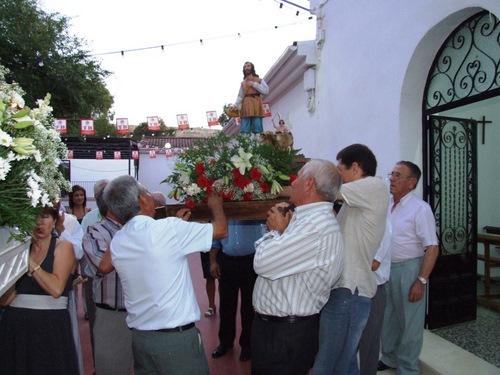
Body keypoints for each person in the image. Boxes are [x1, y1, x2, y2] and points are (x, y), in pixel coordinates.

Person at [103, 175, 227, 375]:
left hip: (141, 340)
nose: (151, 197)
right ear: (141, 200)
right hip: (175, 342)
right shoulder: (168, 229)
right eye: (147, 192)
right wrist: (216, 206)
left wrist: (175, 226)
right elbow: (221, 230)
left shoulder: (118, 240)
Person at [251, 159, 345, 375]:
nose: (292, 183)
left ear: (309, 183)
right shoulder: (307, 219)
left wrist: (274, 231)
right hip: (278, 330)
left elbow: (263, 264)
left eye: (297, 177)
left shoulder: (315, 225)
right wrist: (283, 231)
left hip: (286, 333)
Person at [313, 144, 390, 375]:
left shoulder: (374, 186)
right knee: (344, 362)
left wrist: (299, 182)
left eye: (340, 169)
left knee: (328, 362)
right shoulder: (355, 201)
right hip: (344, 288)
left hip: (351, 290)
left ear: (355, 167)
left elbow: (327, 191)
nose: (339, 176)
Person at [0, 206, 79, 375]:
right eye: (33, 217)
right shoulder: (19, 248)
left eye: (45, 217)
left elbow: (56, 289)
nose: (39, 222)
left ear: (55, 221)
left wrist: (29, 262)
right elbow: (5, 300)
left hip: (50, 326)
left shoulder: (63, 247)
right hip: (16, 326)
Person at [378, 161, 439, 374]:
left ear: (411, 182)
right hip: (386, 269)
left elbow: (432, 246)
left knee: (410, 324)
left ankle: (408, 368)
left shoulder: (420, 209)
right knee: (388, 319)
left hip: (410, 270)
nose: (392, 178)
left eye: (398, 175)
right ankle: (390, 358)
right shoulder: (386, 204)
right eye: (391, 173)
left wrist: (421, 280)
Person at [83, 180, 133, 375]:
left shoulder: (136, 228)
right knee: (113, 369)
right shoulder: (96, 231)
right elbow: (104, 265)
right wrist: (126, 232)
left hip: (142, 312)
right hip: (114, 314)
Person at [210, 220, 264, 362]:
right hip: (227, 261)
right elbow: (215, 241)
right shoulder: (222, 211)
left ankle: (247, 345)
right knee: (226, 304)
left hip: (251, 262)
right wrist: (213, 261)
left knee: (249, 305)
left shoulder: (249, 208)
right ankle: (225, 342)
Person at [358, 219, 392, 375]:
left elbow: (373, 264)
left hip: (374, 290)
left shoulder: (383, 224)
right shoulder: (358, 220)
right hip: (355, 287)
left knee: (369, 341)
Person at [229, 61, 269, 134]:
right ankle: (245, 144)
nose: (246, 68)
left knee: (258, 129)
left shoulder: (259, 80)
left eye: (248, 66)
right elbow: (240, 96)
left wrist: (254, 84)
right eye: (245, 67)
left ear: (252, 68)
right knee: (244, 130)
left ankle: (258, 144)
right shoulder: (243, 83)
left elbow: (266, 90)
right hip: (246, 106)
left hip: (256, 105)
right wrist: (235, 105)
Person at [200, 250, 218, 317]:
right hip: (207, 248)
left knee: (222, 279)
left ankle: (223, 304)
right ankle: (211, 306)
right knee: (209, 277)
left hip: (221, 247)